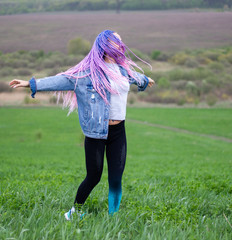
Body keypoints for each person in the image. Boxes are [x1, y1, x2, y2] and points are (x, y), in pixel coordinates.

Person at [9, 30, 155, 220]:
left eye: (120, 42)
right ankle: (74, 212)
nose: (119, 45)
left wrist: (146, 79)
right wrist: (30, 83)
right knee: (94, 177)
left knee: (116, 179)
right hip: (95, 133)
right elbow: (60, 80)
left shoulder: (123, 71)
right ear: (104, 45)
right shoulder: (87, 74)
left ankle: (113, 218)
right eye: (115, 42)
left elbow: (134, 77)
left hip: (119, 132)